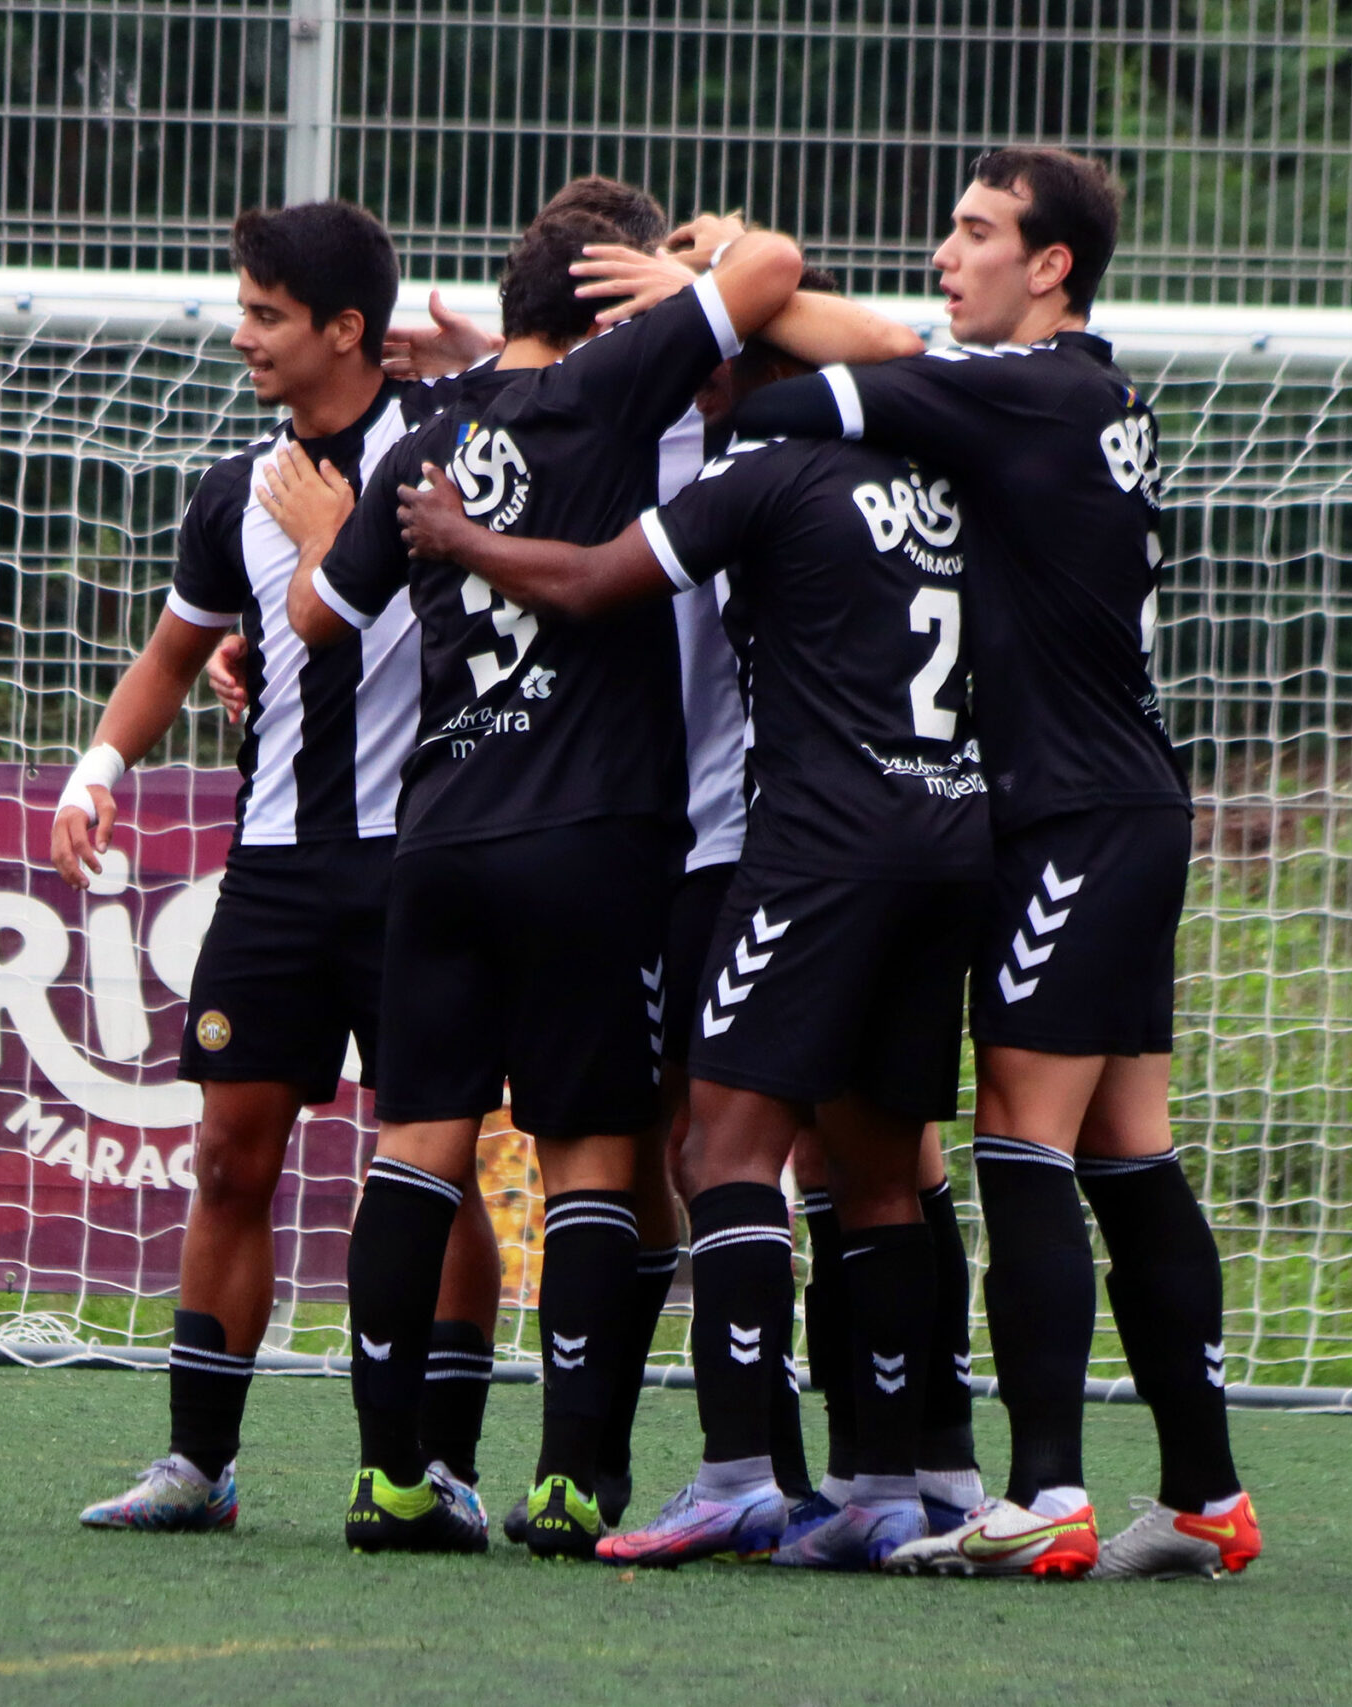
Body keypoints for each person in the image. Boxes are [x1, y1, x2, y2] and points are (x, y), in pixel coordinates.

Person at [731, 146, 1262, 1580]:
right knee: (1127, 1153)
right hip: (1127, 804)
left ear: (1051, 266)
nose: (945, 255)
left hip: (1069, 817)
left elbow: (791, 398)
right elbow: (896, 359)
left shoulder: (1024, 386)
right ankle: (1204, 1496)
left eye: (975, 232)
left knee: (1021, 1136)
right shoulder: (1089, 395)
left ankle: (1043, 1493)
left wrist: (708, 293)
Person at [394, 319, 988, 1571]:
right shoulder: (922, 468)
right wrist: (494, 360)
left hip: (760, 840)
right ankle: (890, 1476)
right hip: (911, 827)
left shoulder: (741, 461)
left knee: (733, 1145)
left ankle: (762, 1475)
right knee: (847, 1154)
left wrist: (460, 529)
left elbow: (592, 576)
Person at [282, 208, 807, 1558]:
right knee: (588, 1152)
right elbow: (772, 271)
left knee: (418, 1144)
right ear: (603, 312)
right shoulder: (608, 384)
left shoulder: (421, 435)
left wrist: (337, 537)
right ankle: (571, 1479)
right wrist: (676, 283)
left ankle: (391, 1477)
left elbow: (317, 617)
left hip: (441, 835)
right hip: (594, 833)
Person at [53, 200, 503, 1537]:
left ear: (345, 329)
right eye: (242, 309)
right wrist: (96, 769)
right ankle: (199, 1464)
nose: (241, 335)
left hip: (427, 866)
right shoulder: (233, 487)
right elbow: (174, 653)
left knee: (435, 1174)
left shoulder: (448, 453)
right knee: (224, 1157)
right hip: (277, 873)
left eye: (266, 314)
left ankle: (441, 1462)